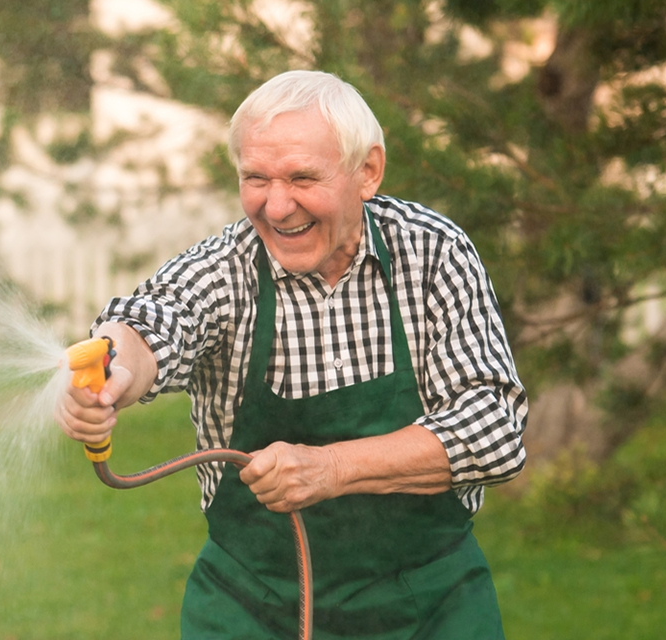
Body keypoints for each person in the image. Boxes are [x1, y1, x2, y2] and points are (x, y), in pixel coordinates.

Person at [55, 69, 526, 638]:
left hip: (429, 602)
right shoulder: (225, 269)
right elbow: (153, 319)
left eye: (302, 177)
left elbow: (496, 431)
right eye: (256, 178)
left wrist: (331, 468)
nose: (277, 207)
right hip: (253, 607)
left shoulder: (434, 253)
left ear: (367, 171)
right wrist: (118, 366)